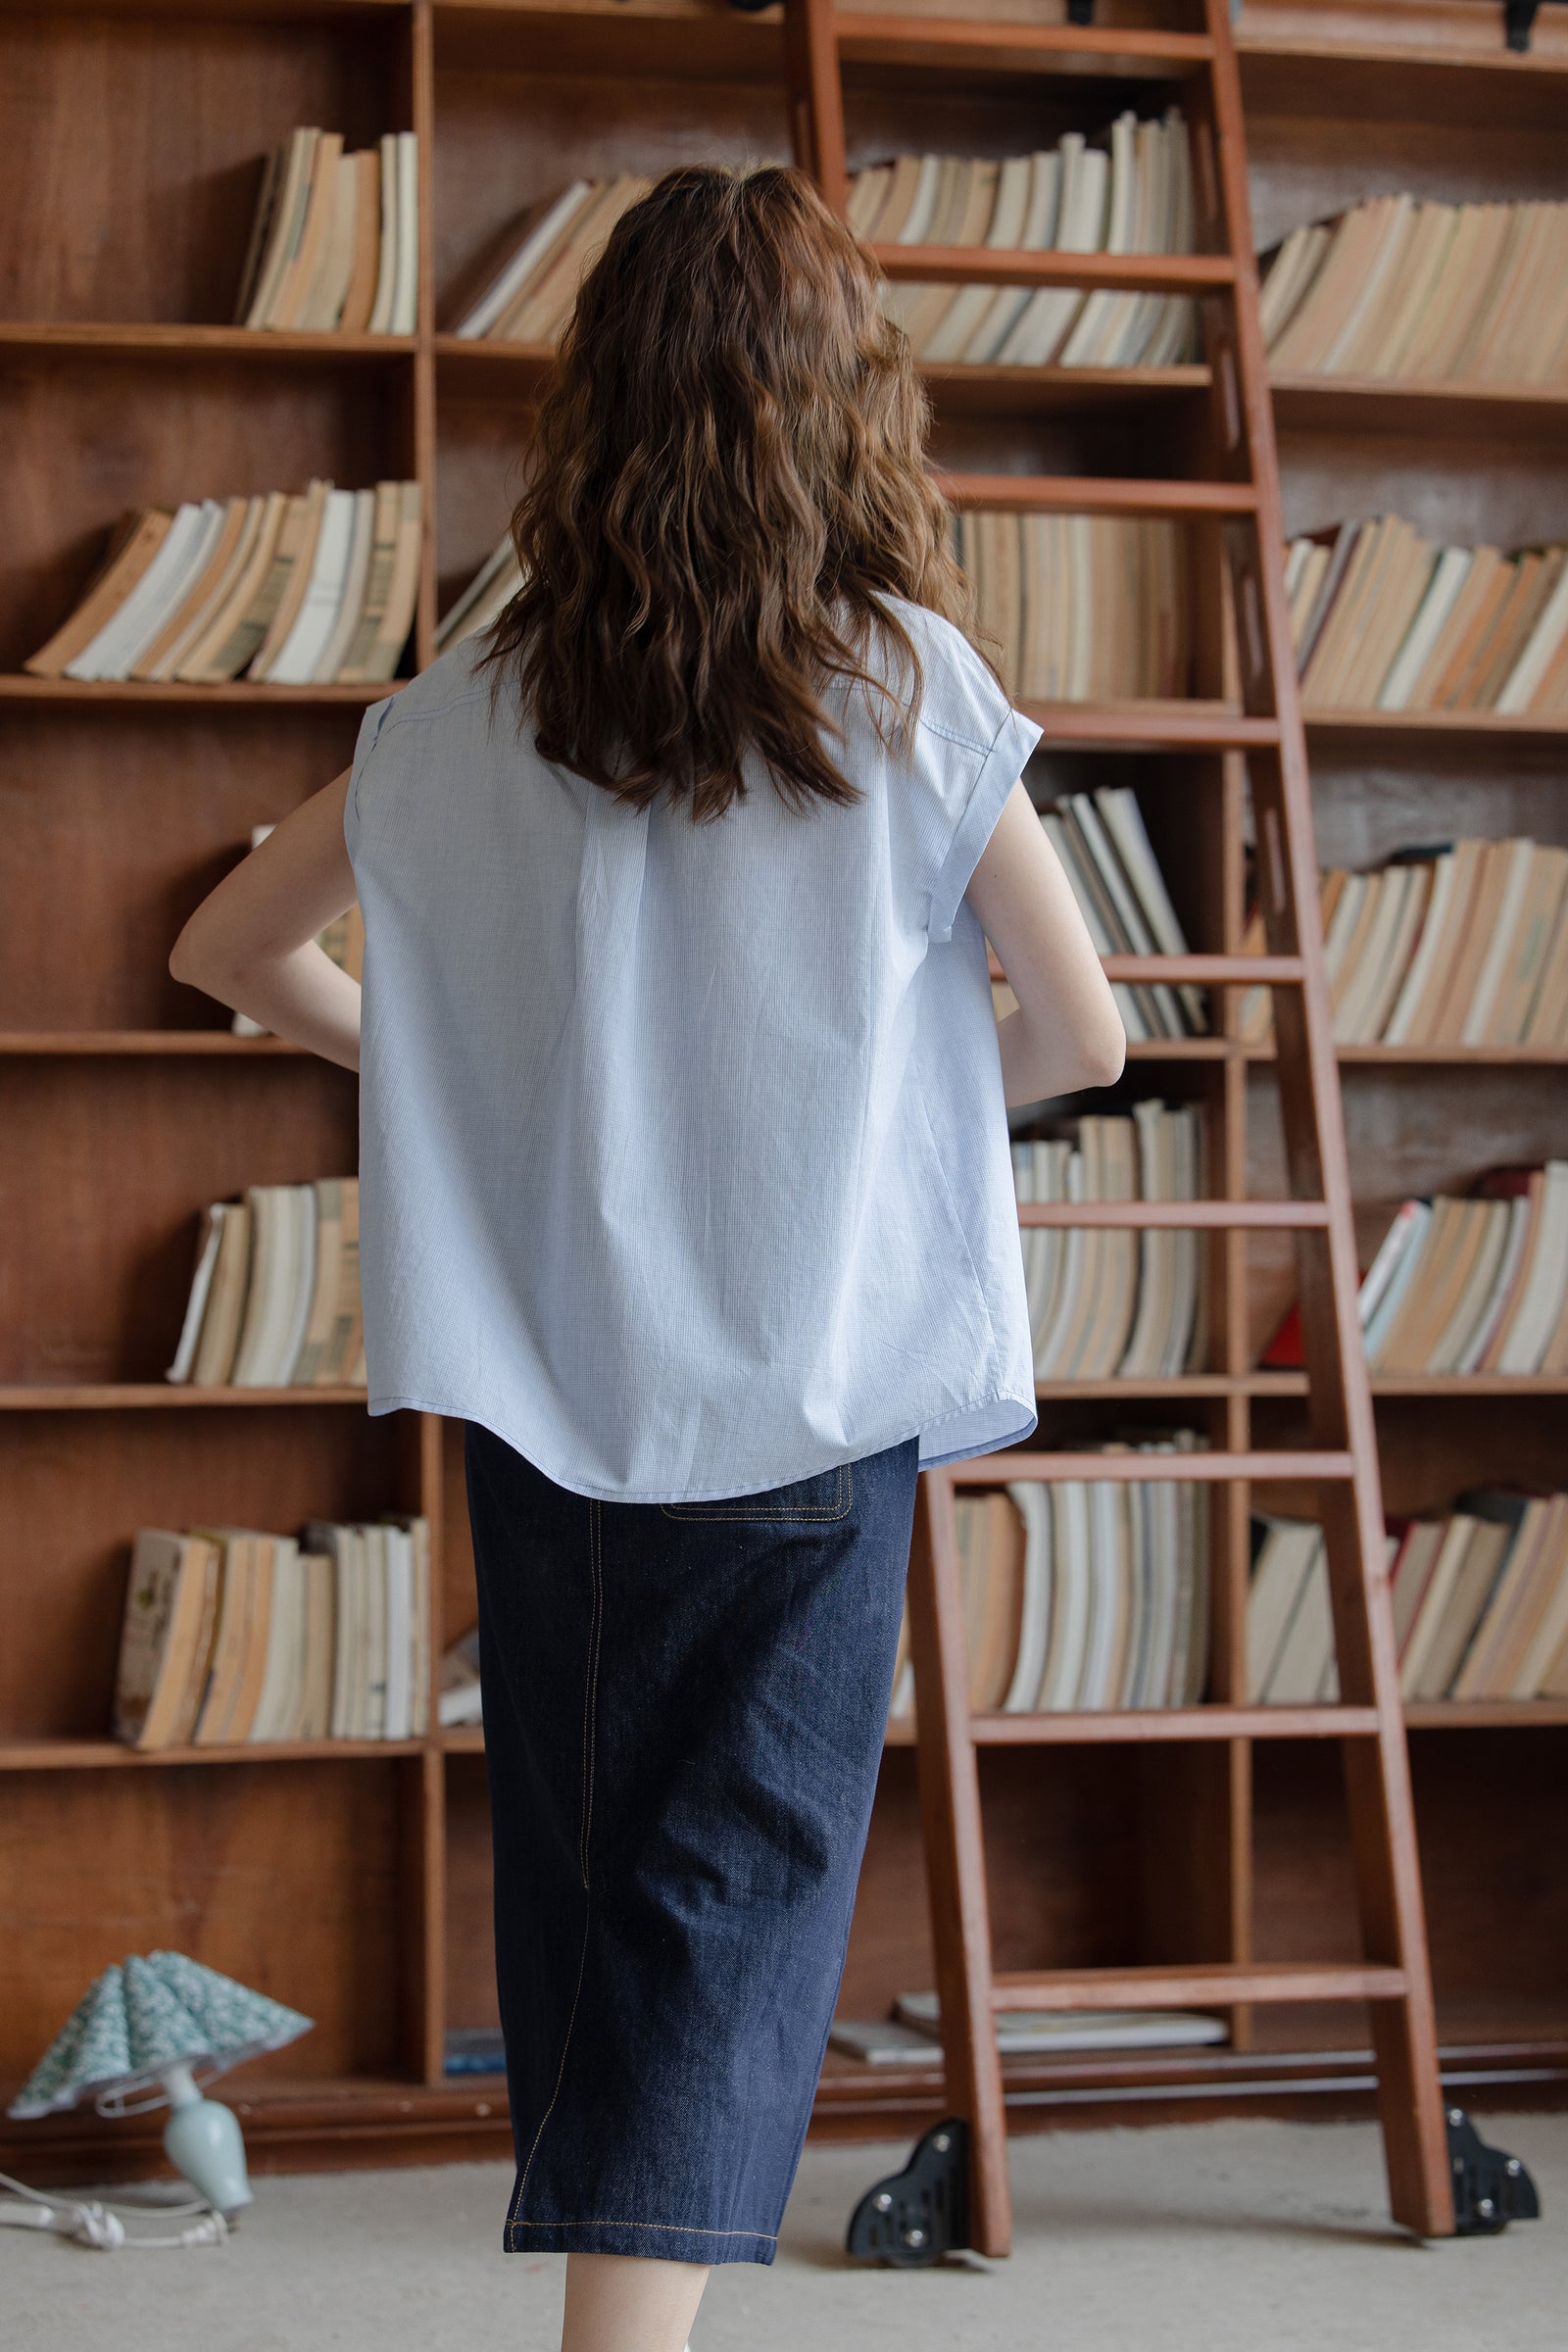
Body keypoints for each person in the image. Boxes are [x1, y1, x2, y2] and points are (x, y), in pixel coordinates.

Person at [171, 163, 1123, 2352]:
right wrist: (855, 1121)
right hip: (818, 1383)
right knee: (740, 1894)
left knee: (598, 1886)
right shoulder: (907, 685)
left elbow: (225, 947)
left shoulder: (467, 707)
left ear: (592, 402)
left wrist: (458, 1097)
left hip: (556, 1390)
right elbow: (1077, 1033)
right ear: (839, 405)